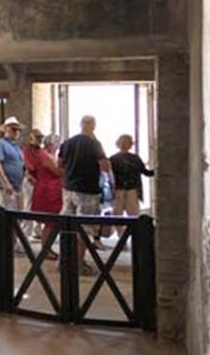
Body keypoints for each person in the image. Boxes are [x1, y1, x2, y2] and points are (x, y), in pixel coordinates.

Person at [58, 115, 112, 274]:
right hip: (87, 190)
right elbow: (104, 167)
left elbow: (59, 165)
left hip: (68, 189)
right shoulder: (94, 144)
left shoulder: (67, 142)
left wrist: (70, 173)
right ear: (93, 126)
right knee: (84, 229)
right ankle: (78, 264)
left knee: (67, 226)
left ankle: (64, 262)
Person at [110, 134, 154, 231]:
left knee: (117, 216)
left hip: (117, 190)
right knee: (134, 216)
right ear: (130, 145)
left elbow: (108, 176)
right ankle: (133, 236)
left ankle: (120, 236)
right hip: (132, 189)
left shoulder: (113, 159)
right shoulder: (135, 158)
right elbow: (146, 172)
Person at [30, 134, 64, 260]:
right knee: (50, 222)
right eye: (57, 143)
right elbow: (57, 171)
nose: (58, 146)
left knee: (52, 223)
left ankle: (48, 248)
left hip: (52, 190)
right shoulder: (45, 155)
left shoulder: (48, 155)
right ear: (52, 144)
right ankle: (45, 249)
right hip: (47, 191)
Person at [0, 116, 25, 209]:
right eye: (14, 129)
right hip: (6, 187)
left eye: (18, 130)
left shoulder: (17, 146)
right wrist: (5, 183)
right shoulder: (0, 144)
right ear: (7, 129)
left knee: (18, 214)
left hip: (17, 186)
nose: (17, 132)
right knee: (7, 214)